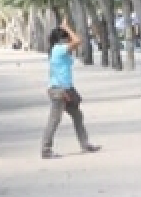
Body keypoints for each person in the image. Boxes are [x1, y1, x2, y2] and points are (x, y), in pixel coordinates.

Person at [41, 19, 100, 159]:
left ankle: (85, 144)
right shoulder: (59, 50)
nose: (69, 40)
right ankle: (46, 149)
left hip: (65, 89)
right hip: (59, 90)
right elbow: (78, 40)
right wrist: (67, 28)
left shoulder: (59, 51)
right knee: (54, 120)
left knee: (77, 115)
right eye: (66, 38)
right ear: (62, 39)